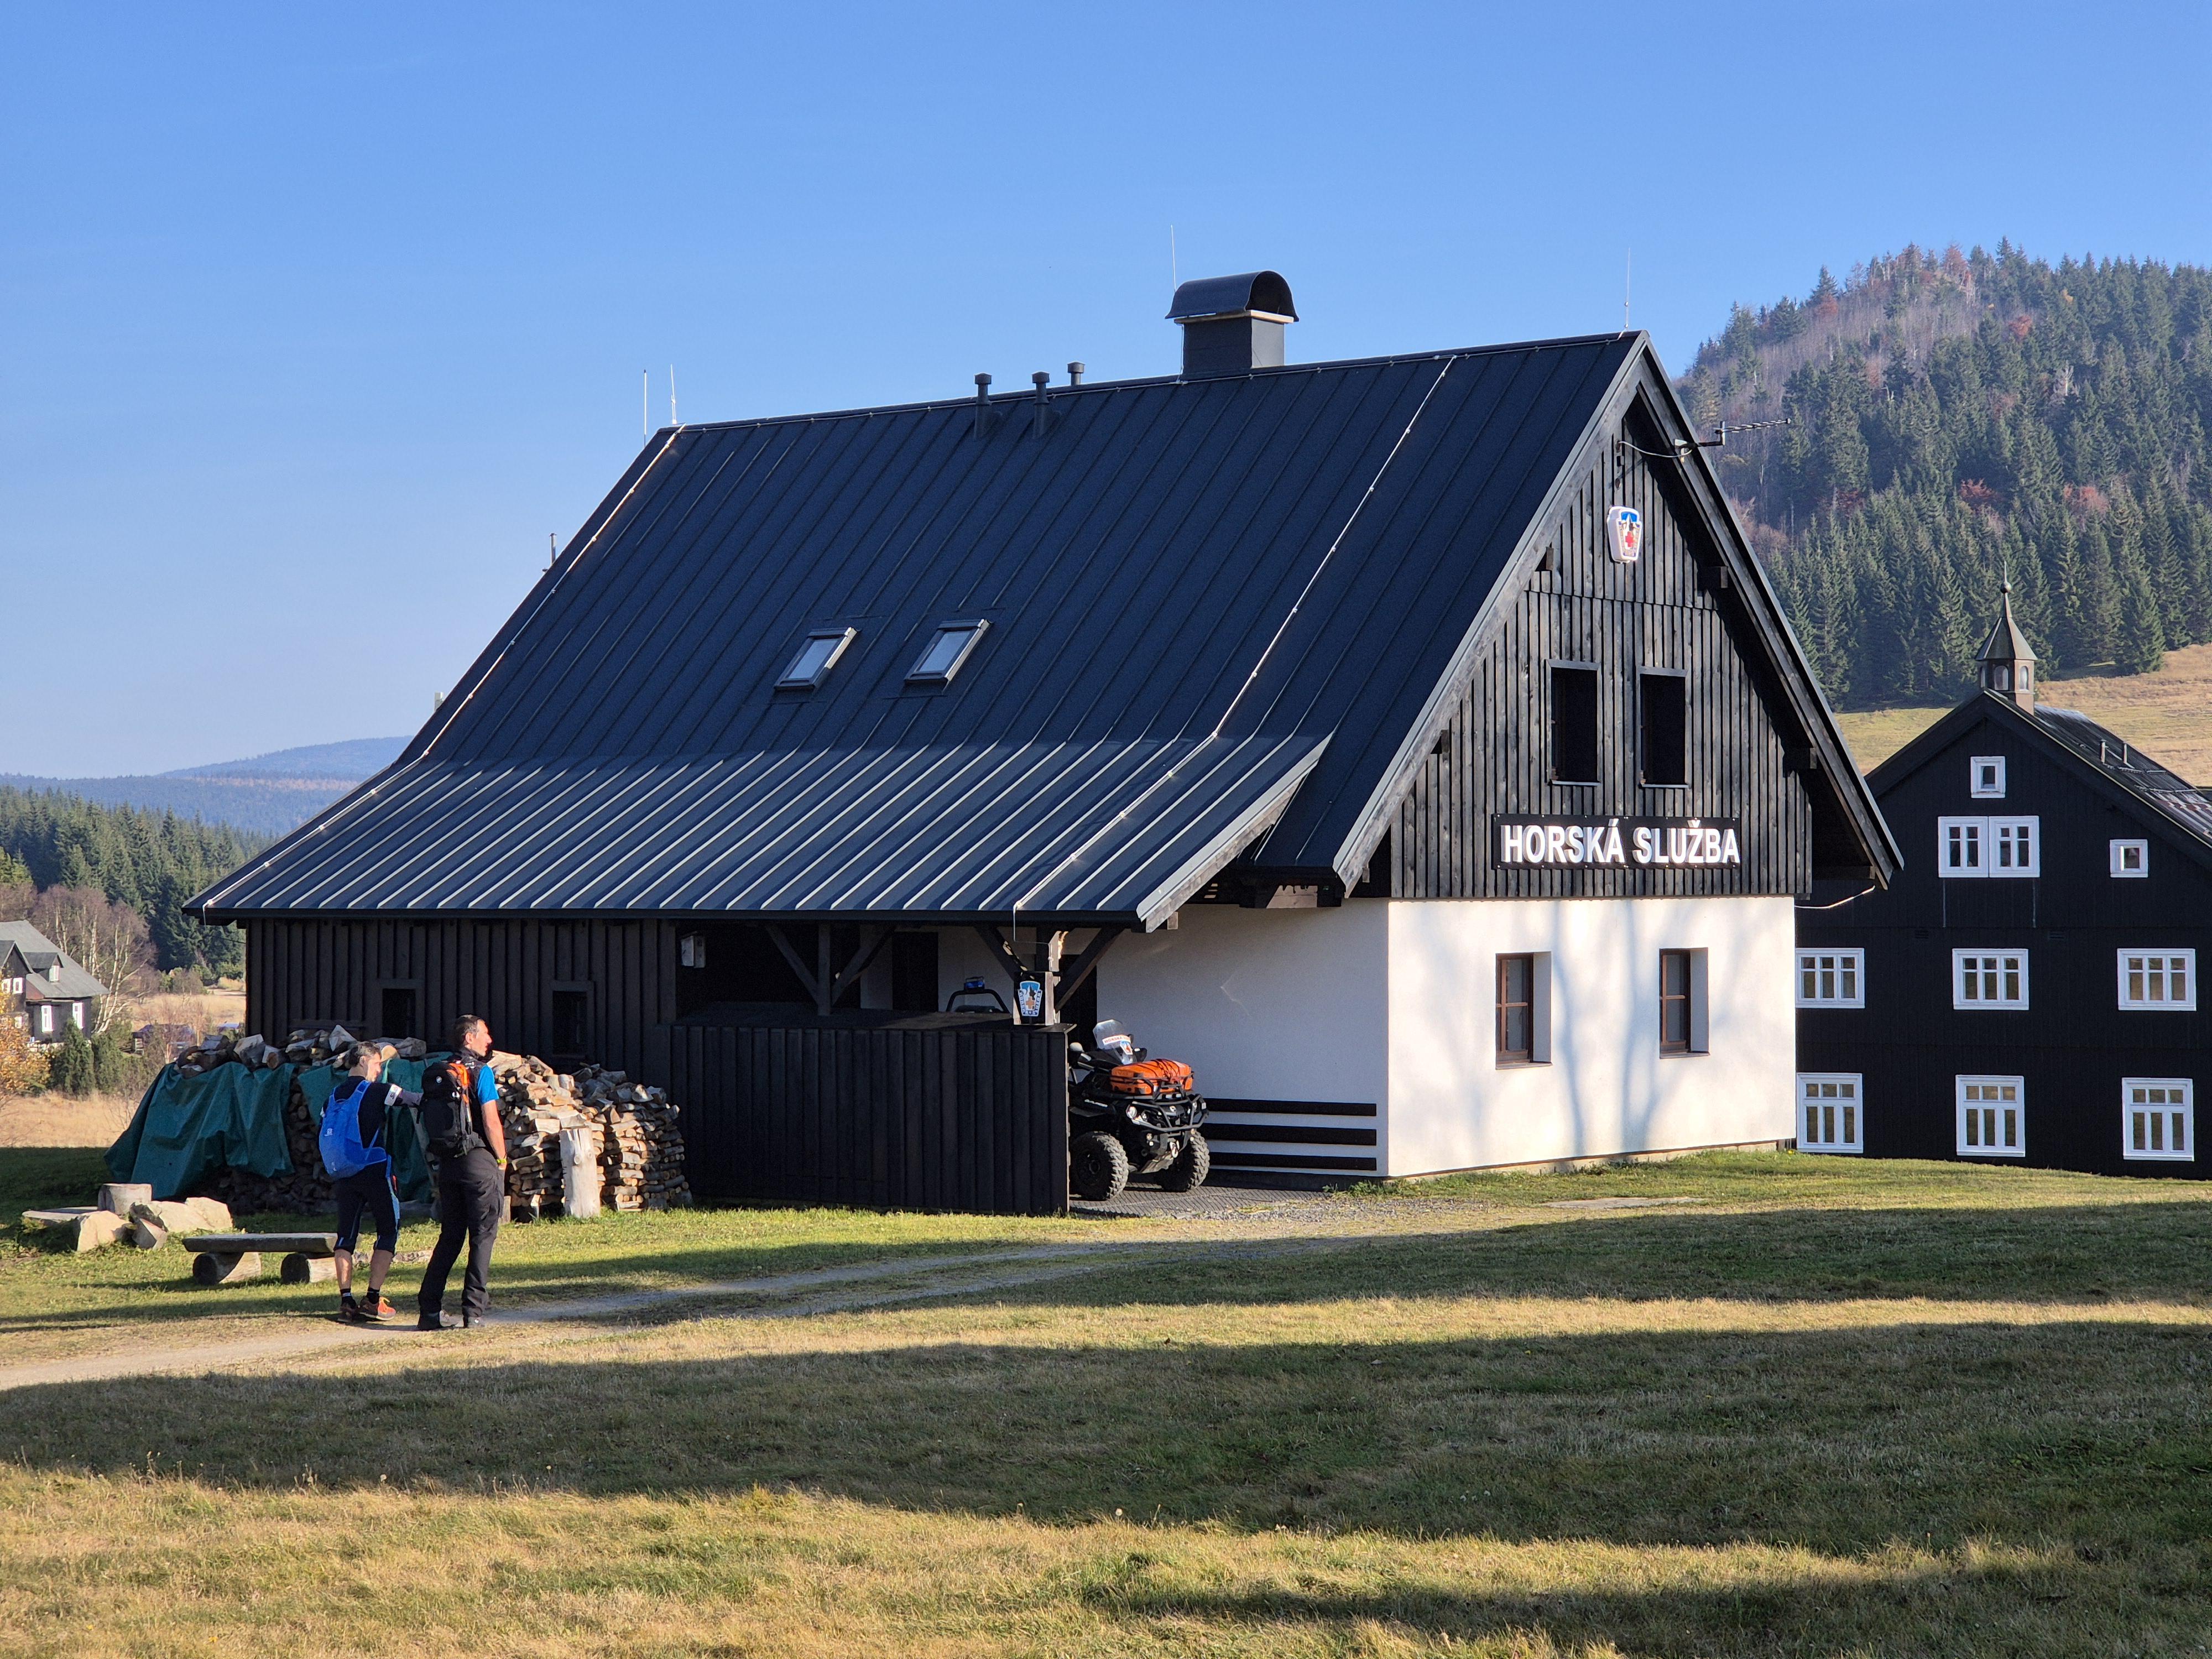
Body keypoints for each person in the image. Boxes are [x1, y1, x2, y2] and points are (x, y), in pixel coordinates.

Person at [415, 1014, 508, 1331]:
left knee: (450, 1237)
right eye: (485, 1034)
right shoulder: (480, 1073)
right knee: (483, 1236)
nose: (489, 1040)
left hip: (448, 1164)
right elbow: (491, 1121)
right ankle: (474, 1312)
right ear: (469, 1038)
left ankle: (429, 1311)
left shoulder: (438, 1072)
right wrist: (502, 1159)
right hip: (479, 1162)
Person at [324, 1042, 421, 1323]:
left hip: (343, 1174)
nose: (380, 1071)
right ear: (365, 1061)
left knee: (345, 1237)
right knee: (388, 1230)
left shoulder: (332, 1097)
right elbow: (412, 1100)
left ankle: (346, 1301)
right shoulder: (378, 1091)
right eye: (378, 1064)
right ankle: (373, 1299)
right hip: (374, 1171)